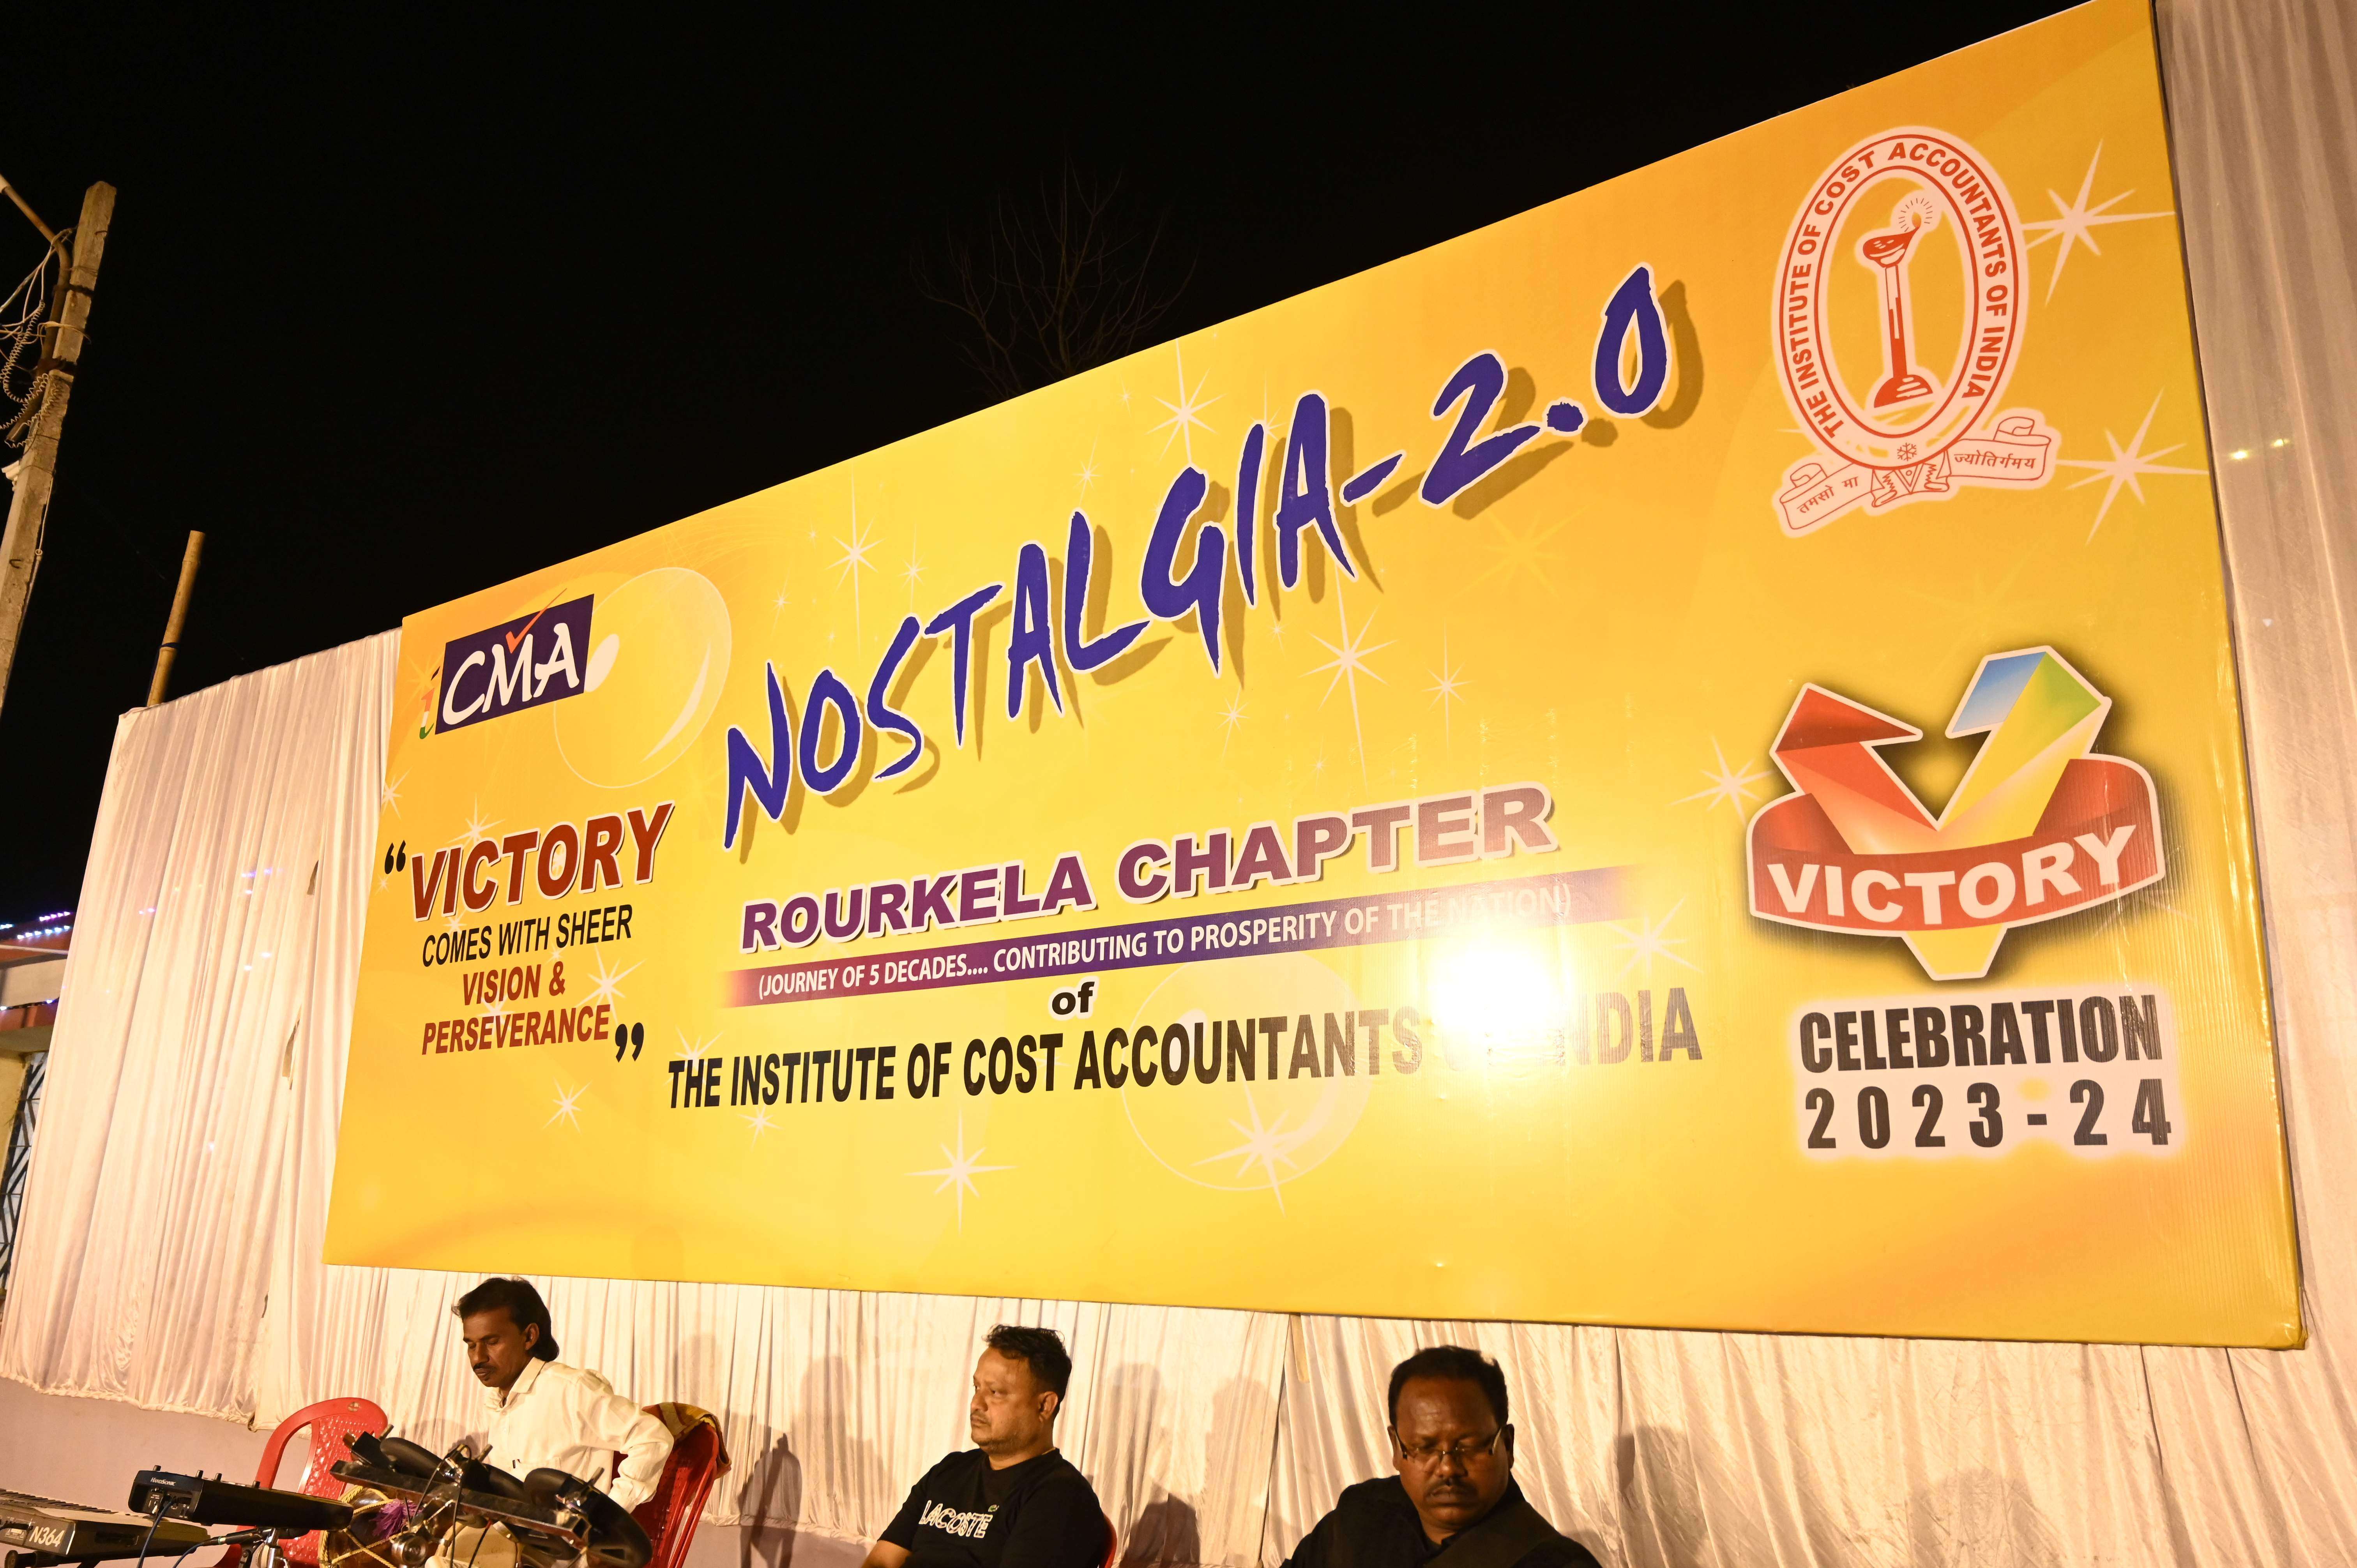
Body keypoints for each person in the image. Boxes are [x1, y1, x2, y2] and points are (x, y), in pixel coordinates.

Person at [1283, 1346, 1602, 1568]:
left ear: (1507, 1445)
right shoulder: (1359, 1519)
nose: (1448, 1468)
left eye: (1469, 1446)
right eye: (1425, 1448)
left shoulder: (1554, 1562)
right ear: (1396, 1447)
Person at [862, 1325, 1107, 1568]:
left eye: (995, 1392)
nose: (976, 1404)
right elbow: (881, 1562)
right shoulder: (950, 1471)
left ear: (1044, 1406)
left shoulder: (1062, 1499)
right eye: (977, 1387)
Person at [455, 1277, 673, 1510]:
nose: (478, 1358)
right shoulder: (496, 1401)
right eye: (471, 1345)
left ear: (529, 1337)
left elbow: (652, 1437)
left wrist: (610, 1513)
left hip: (565, 1534)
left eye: (492, 1342)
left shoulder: (571, 1390)